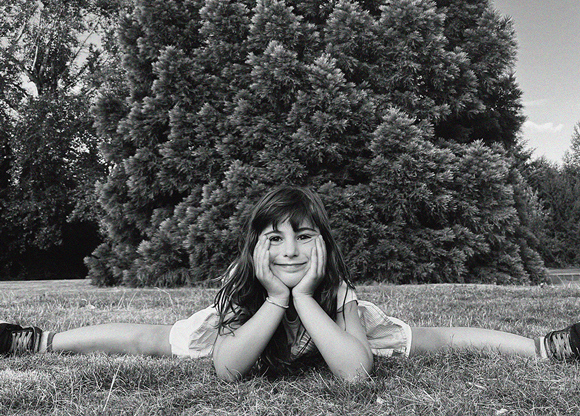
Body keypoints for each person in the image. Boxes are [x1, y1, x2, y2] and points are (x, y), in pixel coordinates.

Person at [1, 186, 579, 381]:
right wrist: (277, 298)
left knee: (437, 339)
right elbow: (227, 370)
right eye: (274, 239)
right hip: (251, 324)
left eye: (302, 237)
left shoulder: (338, 291)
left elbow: (354, 374)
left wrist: (306, 296)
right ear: (256, 247)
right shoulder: (244, 285)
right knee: (153, 339)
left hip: (333, 326)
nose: (289, 251)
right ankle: (37, 341)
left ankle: (548, 346)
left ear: (322, 244)